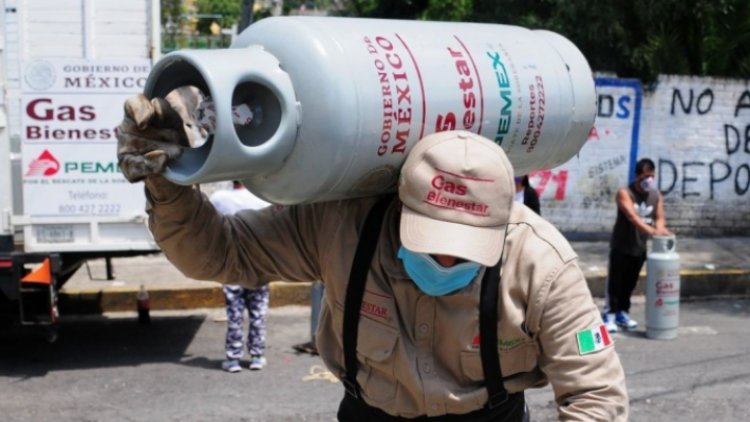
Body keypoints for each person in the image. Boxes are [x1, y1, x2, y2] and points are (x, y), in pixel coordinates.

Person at [117, 95, 628, 421]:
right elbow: (219, 253)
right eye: (432, 239)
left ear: (501, 226)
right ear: (400, 203)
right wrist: (169, 183)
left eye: (466, 247)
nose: (447, 261)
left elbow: (596, 396)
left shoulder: (542, 263)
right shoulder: (344, 224)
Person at [603, 158, 671, 333]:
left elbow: (660, 217)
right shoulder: (625, 193)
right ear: (637, 176)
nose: (649, 179)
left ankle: (622, 313)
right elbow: (633, 217)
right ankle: (609, 314)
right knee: (615, 283)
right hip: (621, 245)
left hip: (639, 248)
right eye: (646, 176)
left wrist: (660, 228)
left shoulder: (656, 196)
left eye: (652, 176)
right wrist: (652, 231)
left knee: (630, 283)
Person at [209, 180, 271, 372]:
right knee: (258, 313)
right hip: (257, 264)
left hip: (231, 265)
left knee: (234, 314)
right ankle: (257, 356)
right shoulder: (261, 198)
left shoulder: (219, 198)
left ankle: (233, 358)